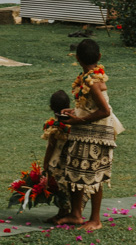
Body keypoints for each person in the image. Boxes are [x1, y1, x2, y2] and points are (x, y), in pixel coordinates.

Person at [54, 39, 120, 231]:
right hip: (83, 133)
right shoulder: (86, 78)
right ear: (99, 57)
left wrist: (78, 121)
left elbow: (105, 111)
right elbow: (88, 107)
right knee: (74, 171)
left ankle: (96, 219)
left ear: (76, 58)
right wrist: (74, 112)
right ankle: (75, 214)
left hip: (96, 135)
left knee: (94, 175)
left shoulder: (93, 82)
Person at [43, 89, 73, 223]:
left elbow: (51, 146)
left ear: (50, 107)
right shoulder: (74, 121)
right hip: (72, 159)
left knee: (60, 188)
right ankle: (72, 211)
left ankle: (63, 212)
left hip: (58, 161)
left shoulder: (54, 126)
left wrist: (45, 165)